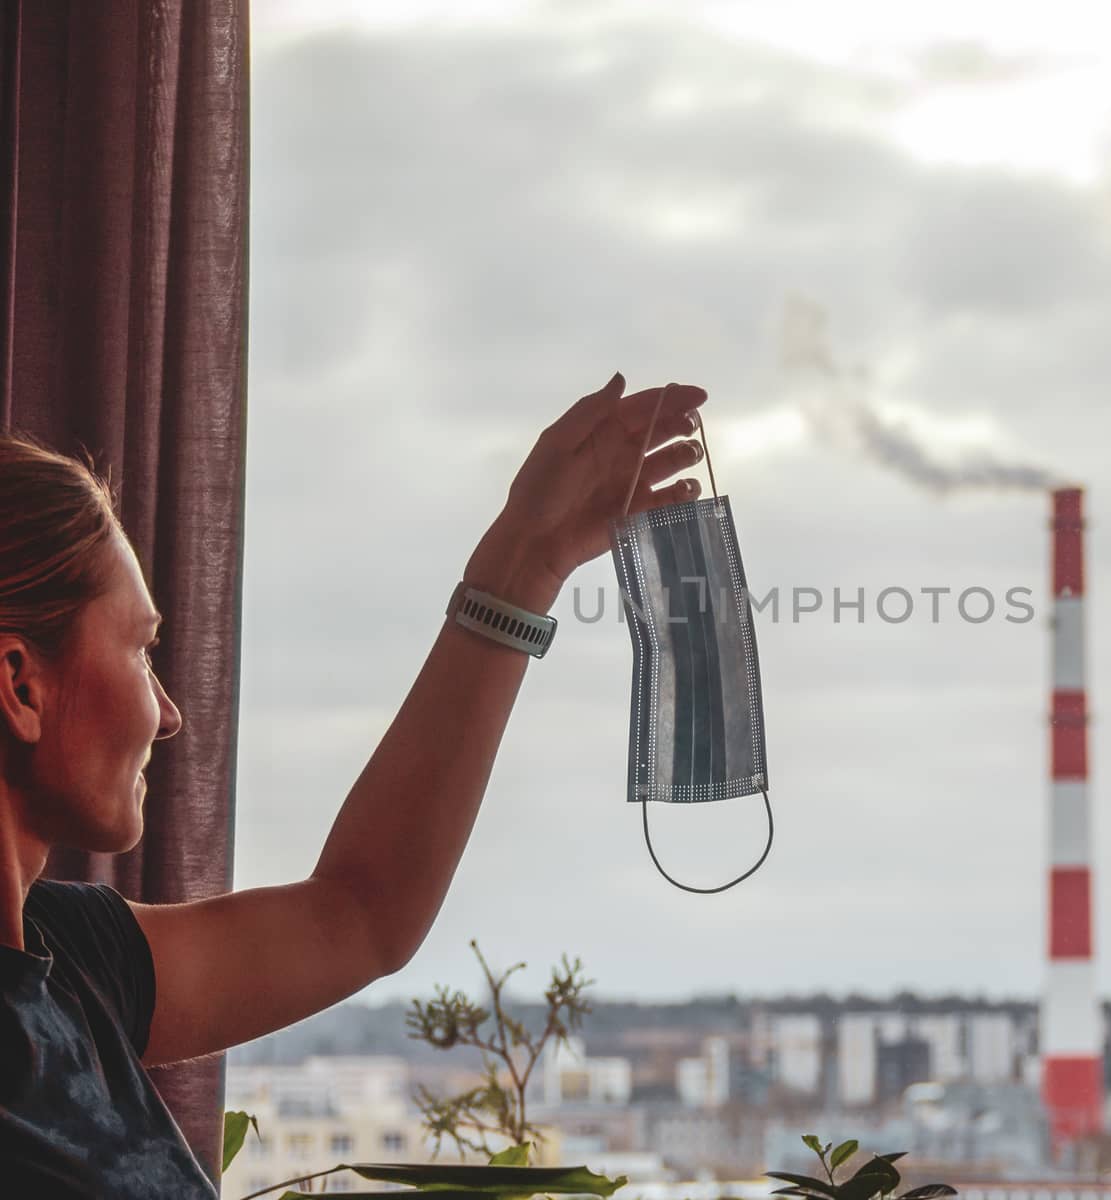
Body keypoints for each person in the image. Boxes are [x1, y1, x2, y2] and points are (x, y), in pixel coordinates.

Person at [0, 373, 707, 1197]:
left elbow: (361, 913)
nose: (168, 715)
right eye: (142, 651)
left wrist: (527, 562)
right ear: (19, 684)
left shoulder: (74, 958)